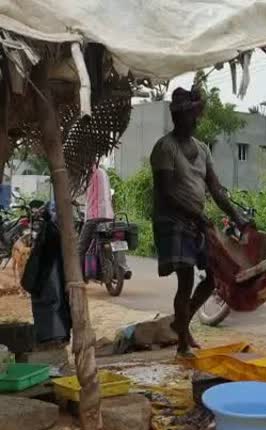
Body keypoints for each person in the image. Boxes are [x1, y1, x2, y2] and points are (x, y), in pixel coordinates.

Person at [150, 87, 247, 357]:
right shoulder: (165, 148)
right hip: (173, 221)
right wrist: (198, 216)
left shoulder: (202, 150)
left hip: (196, 222)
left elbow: (216, 189)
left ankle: (182, 322)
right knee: (186, 279)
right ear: (176, 117)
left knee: (214, 277)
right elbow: (167, 192)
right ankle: (182, 342)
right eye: (187, 116)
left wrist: (238, 217)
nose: (193, 120)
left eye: (195, 115)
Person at [78, 162, 131, 279]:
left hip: (94, 216)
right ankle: (124, 267)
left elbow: (81, 193)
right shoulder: (104, 173)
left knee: (81, 246)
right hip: (109, 215)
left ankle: (79, 276)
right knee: (116, 240)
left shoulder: (87, 175)